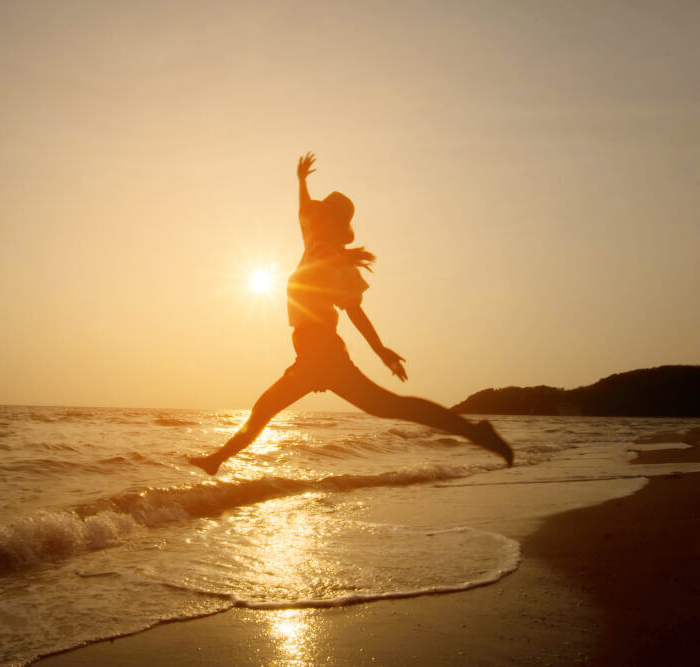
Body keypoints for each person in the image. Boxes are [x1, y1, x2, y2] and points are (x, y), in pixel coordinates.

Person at [188, 153, 513, 475]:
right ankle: (216, 460)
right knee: (273, 409)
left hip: (322, 352)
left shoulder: (338, 262)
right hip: (312, 355)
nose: (315, 217)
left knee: (383, 407)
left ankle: (475, 431)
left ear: (333, 222)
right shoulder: (313, 245)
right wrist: (301, 181)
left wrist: (381, 351)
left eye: (324, 214)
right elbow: (303, 210)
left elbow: (355, 312)